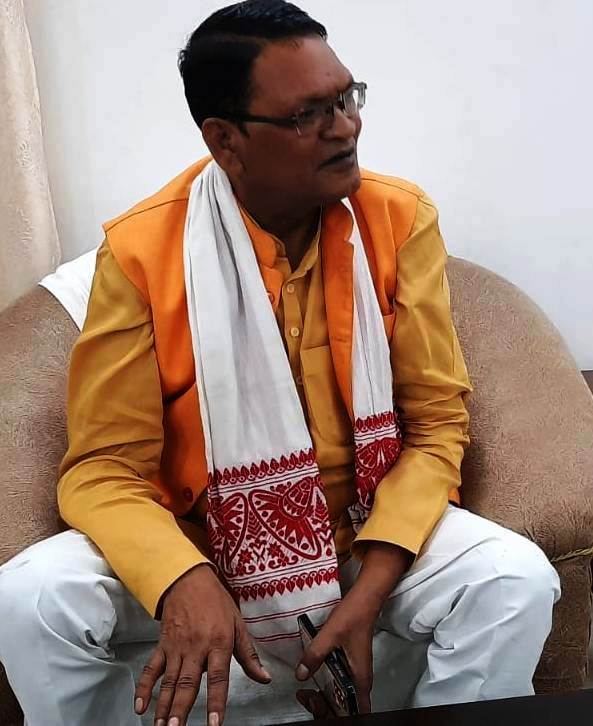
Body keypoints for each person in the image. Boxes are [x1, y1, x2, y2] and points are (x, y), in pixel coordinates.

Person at [0, 1, 560, 725]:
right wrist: (181, 576)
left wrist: (369, 592)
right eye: (307, 116)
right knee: (31, 599)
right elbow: (103, 470)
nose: (344, 128)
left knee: (511, 579)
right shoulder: (142, 253)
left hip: (365, 529)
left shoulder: (398, 219)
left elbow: (435, 428)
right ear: (225, 140)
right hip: (199, 536)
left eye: (346, 99)